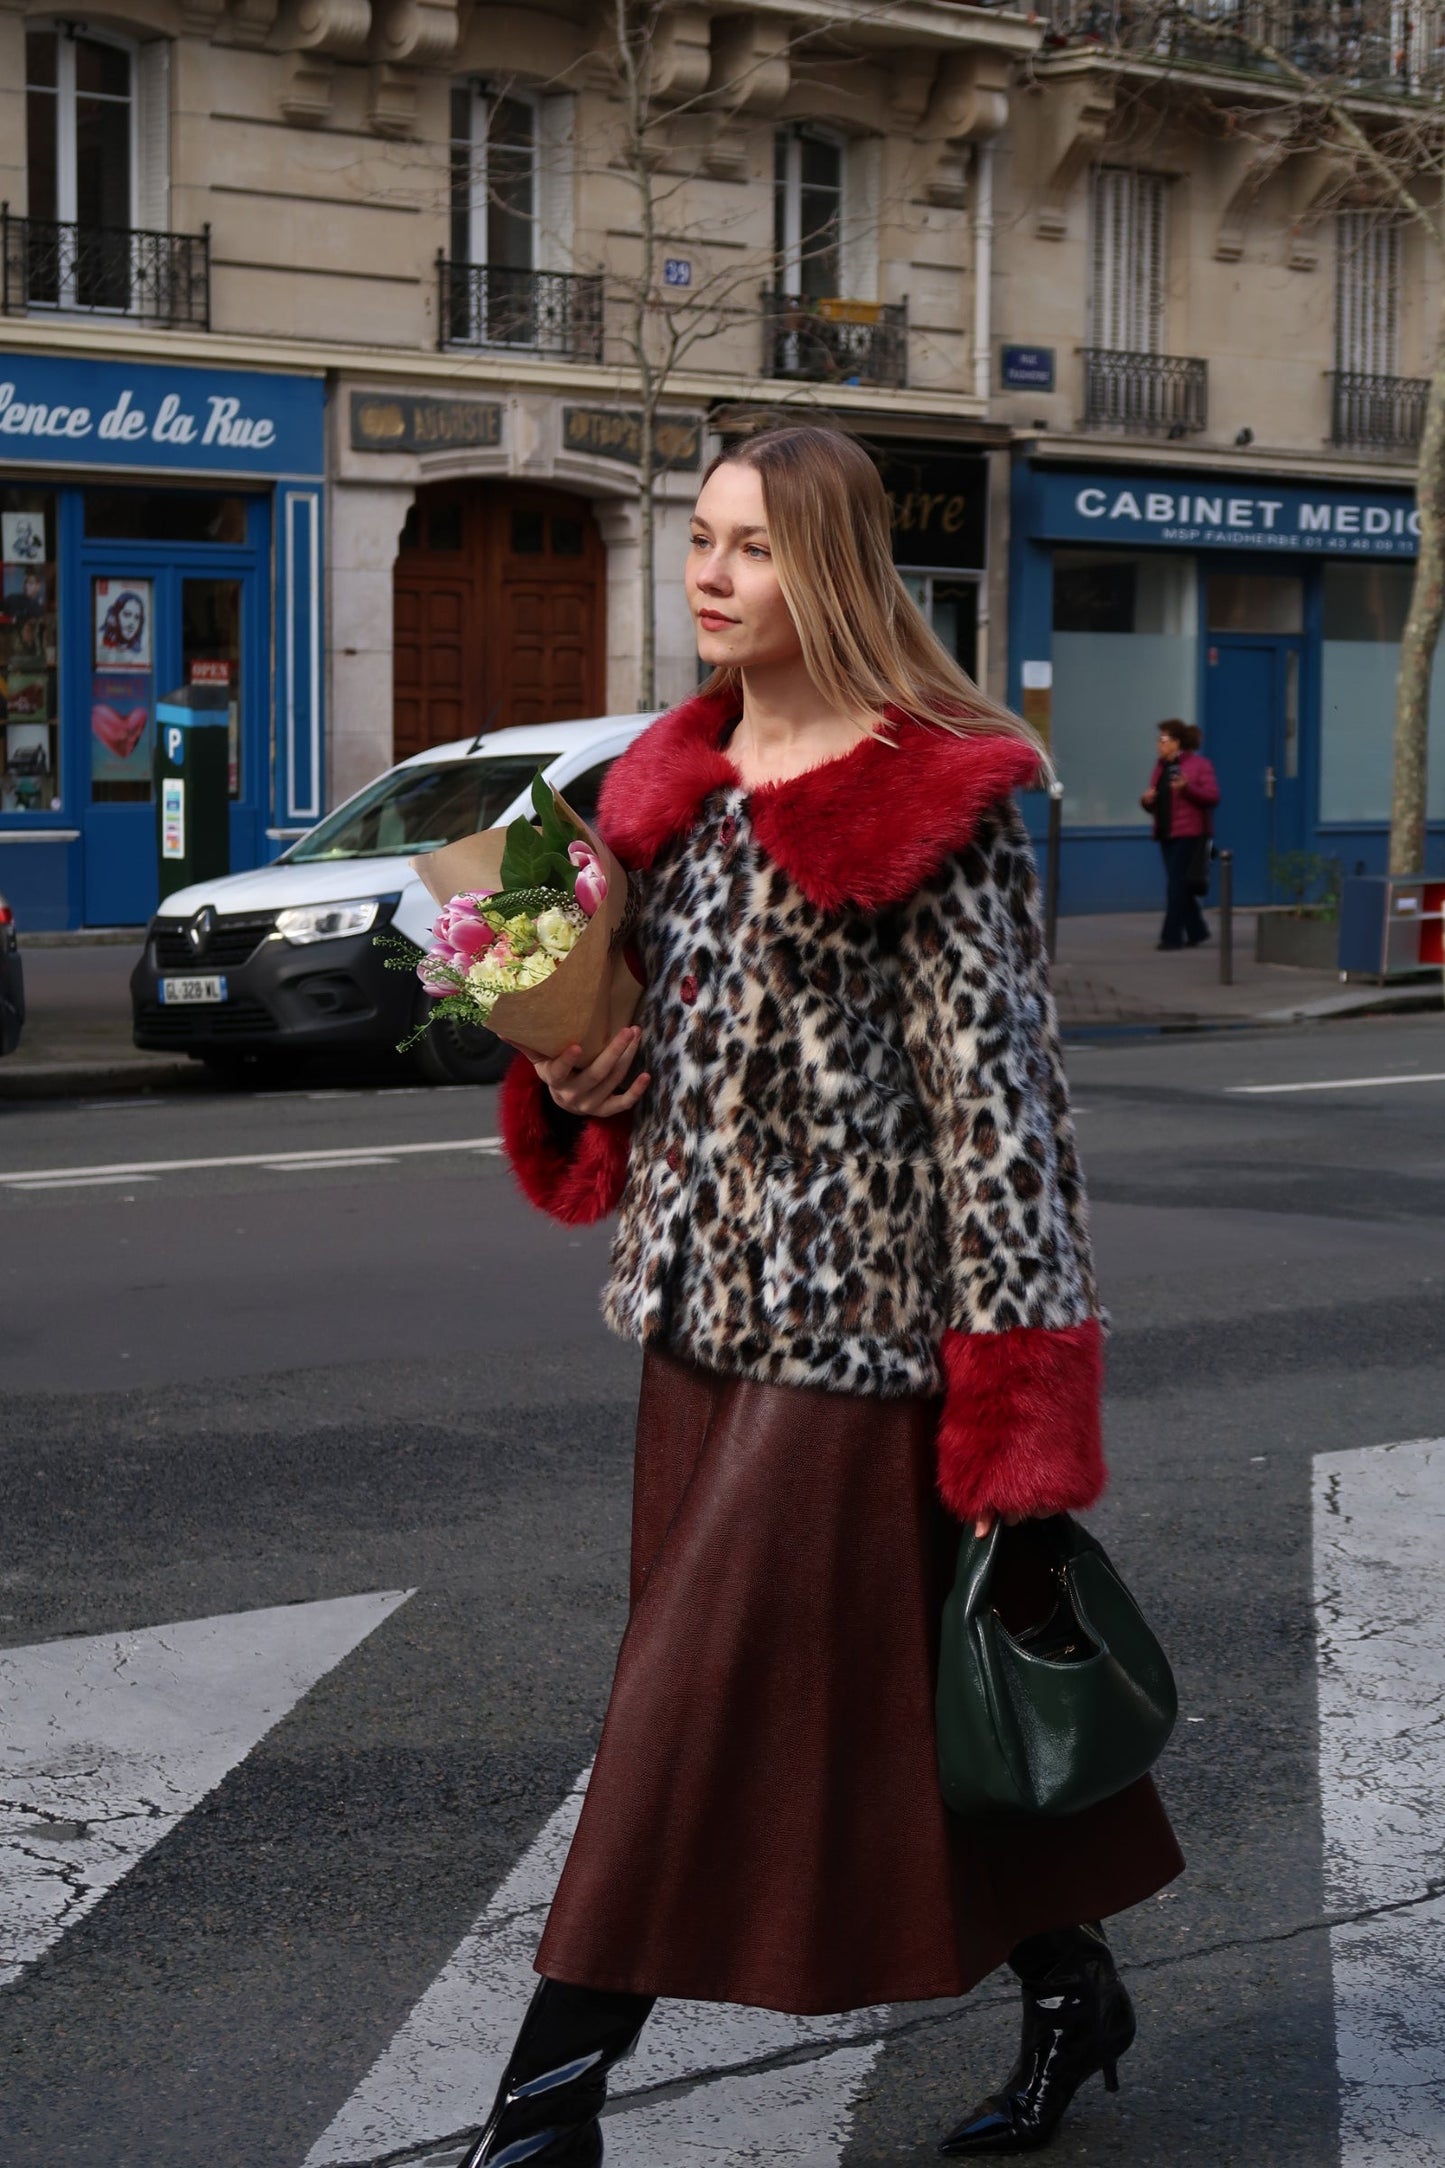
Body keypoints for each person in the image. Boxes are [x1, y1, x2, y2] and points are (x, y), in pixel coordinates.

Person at [473, 423, 1183, 2166]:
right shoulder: (657, 784)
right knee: (901, 1699)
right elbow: (617, 1061)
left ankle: (541, 2110)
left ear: (838, 573)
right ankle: (1074, 1976)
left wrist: (1021, 1426)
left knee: (681, 1713)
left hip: (864, 1349)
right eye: (702, 541)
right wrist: (579, 1082)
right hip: (691, 1330)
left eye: (754, 549)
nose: (710, 575)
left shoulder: (933, 794)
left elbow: (1007, 1129)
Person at [1142, 720, 1220, 951]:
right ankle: (1197, 930)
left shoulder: (1199, 765)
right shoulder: (1160, 767)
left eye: (1163, 740)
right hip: (1166, 832)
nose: (1159, 745)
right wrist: (1146, 801)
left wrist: (1187, 788)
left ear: (1177, 743)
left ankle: (1171, 937)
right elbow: (1158, 802)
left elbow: (1212, 797)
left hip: (1190, 833)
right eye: (1158, 740)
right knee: (1181, 885)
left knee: (1176, 885)